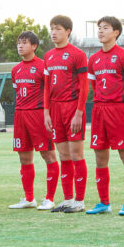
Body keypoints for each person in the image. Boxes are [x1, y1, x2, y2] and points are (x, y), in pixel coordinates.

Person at [86, 16, 124, 216]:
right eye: (99, 28)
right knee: (100, 157)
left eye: (105, 28)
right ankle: (104, 202)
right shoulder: (93, 59)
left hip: (118, 110)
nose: (100, 31)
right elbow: (94, 86)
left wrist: (123, 105)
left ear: (116, 32)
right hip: (99, 111)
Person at [41, 15, 89, 213]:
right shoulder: (48, 56)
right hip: (55, 109)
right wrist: (46, 112)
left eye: (58, 29)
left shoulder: (77, 54)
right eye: (52, 29)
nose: (54, 32)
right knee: (63, 155)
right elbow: (46, 88)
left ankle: (79, 200)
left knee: (76, 154)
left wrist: (79, 112)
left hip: (72, 108)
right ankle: (68, 198)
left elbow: (85, 86)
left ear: (68, 31)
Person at [8, 31, 58, 209]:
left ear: (34, 46)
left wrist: (48, 114)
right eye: (19, 43)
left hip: (38, 115)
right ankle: (29, 198)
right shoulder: (15, 69)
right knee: (24, 157)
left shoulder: (43, 66)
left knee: (48, 155)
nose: (20, 46)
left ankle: (50, 198)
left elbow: (49, 93)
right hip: (20, 115)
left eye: (25, 43)